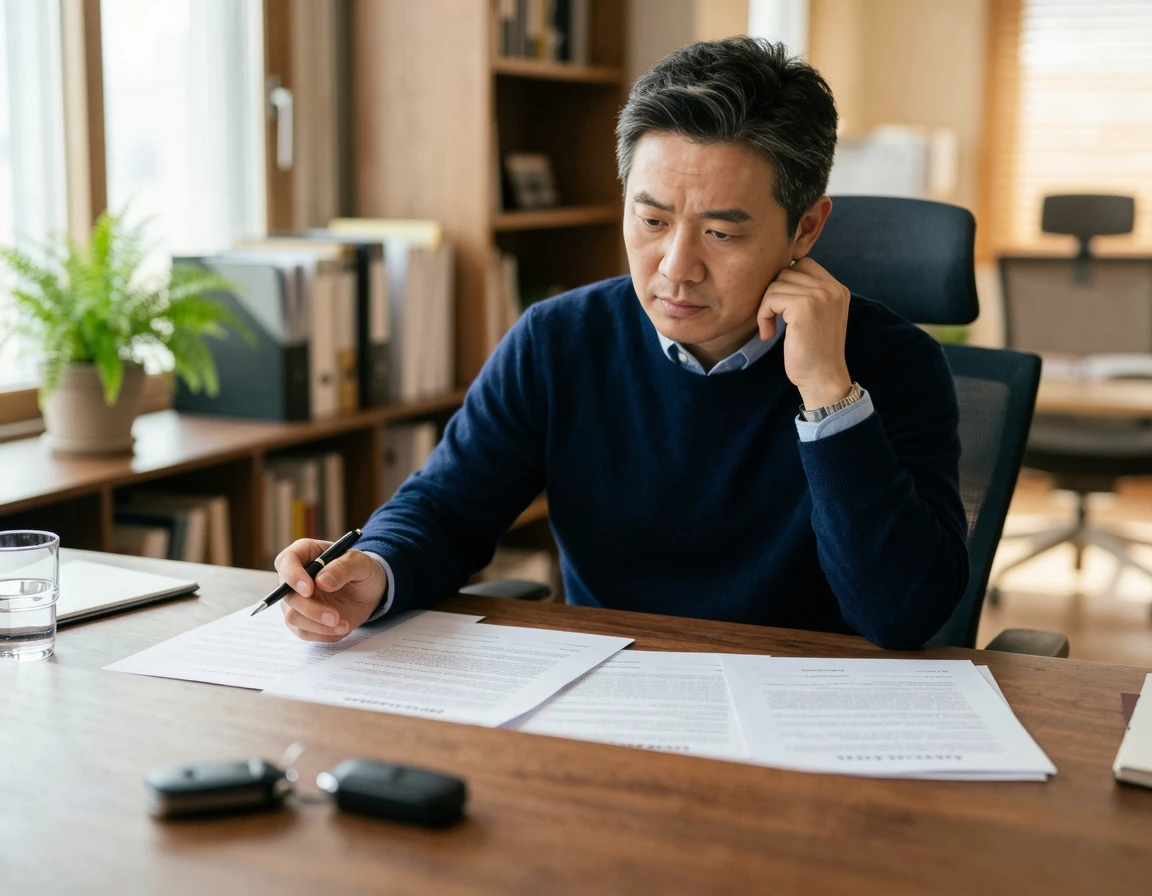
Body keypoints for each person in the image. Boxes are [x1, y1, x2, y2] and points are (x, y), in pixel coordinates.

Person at [275, 37, 969, 650]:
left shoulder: (891, 363)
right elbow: (446, 508)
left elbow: (902, 614)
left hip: (807, 710)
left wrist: (827, 395)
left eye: (721, 233)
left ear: (806, 229)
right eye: (652, 220)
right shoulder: (558, 341)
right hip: (609, 696)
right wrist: (376, 570)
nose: (677, 267)